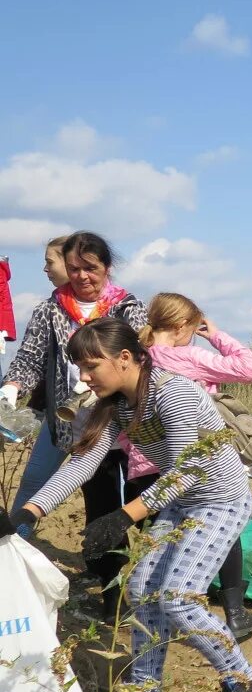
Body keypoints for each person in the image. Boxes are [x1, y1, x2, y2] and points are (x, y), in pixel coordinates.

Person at [10, 318, 252, 692]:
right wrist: (27, 513)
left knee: (178, 596)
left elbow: (188, 469)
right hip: (178, 502)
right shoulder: (116, 406)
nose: (85, 377)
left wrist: (124, 514)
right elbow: (81, 464)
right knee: (140, 589)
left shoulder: (175, 392)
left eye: (92, 366)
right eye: (80, 367)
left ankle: (244, 683)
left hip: (219, 500)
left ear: (126, 358)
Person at [1, 233, 147, 616]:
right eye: (75, 268)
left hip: (122, 426)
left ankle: (153, 587)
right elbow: (30, 358)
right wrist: (13, 387)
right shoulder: (51, 308)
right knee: (99, 508)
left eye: (91, 268)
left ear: (106, 268)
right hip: (76, 426)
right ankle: (112, 597)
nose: (82, 276)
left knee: (142, 503)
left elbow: (141, 358)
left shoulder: (127, 306)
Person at [120, 292, 252, 639]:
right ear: (184, 325)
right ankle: (234, 613)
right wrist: (215, 334)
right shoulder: (190, 356)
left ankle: (153, 618)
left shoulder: (135, 360)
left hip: (144, 466)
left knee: (156, 544)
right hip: (192, 466)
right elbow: (251, 369)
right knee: (223, 535)